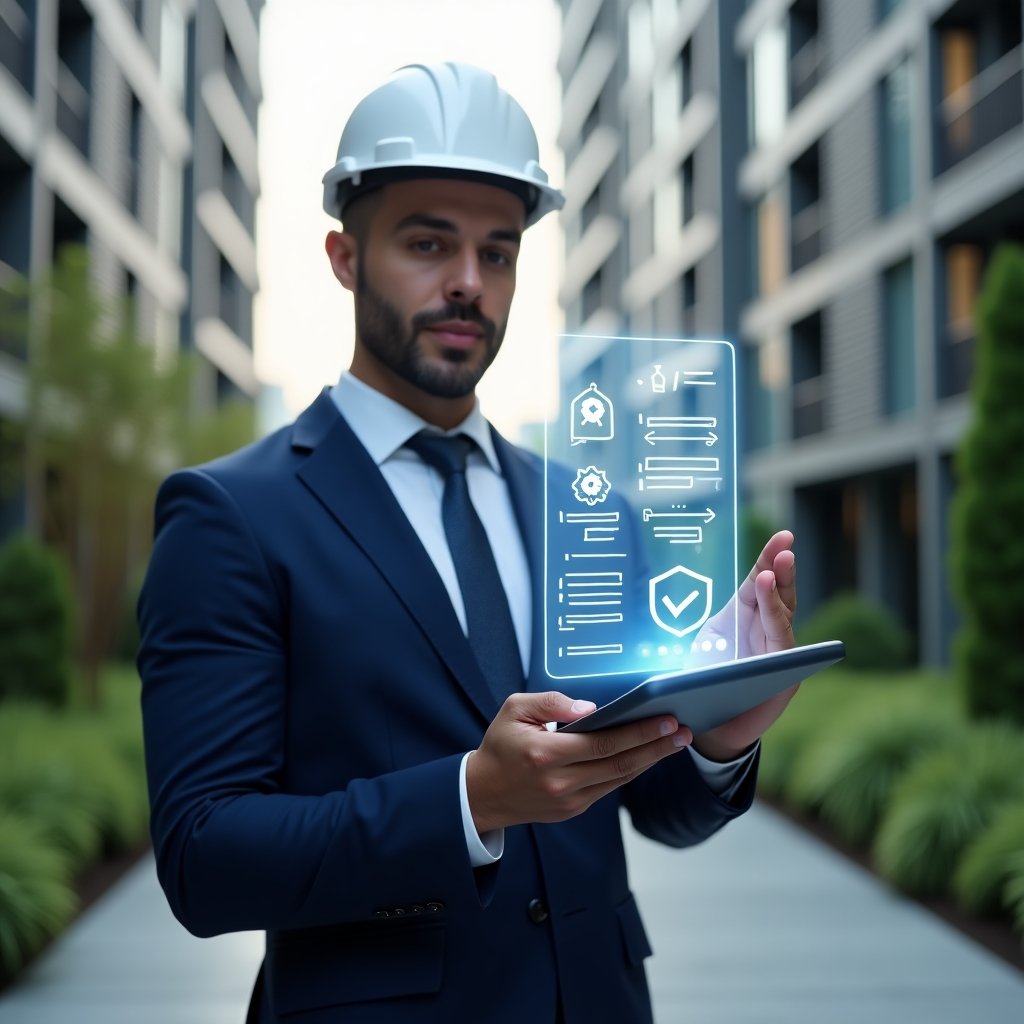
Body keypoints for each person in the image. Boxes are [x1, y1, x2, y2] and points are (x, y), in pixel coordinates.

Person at [137, 62, 798, 1024]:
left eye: (498, 253)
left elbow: (657, 810)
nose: (467, 284)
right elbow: (206, 856)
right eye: (427, 242)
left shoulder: (587, 508)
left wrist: (716, 739)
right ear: (343, 256)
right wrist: (468, 800)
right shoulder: (230, 515)